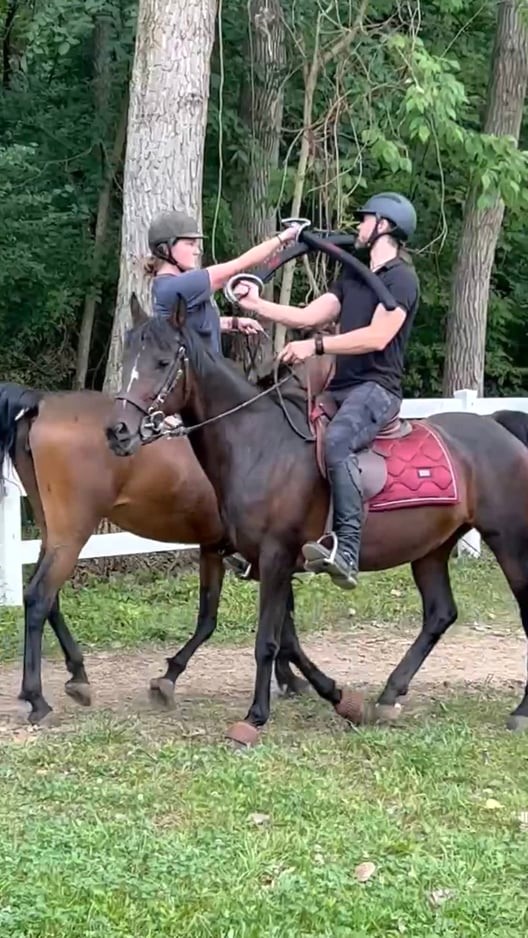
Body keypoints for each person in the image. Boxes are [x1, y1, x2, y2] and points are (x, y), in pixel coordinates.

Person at [233, 191, 420, 590]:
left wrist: (315, 345)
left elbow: (377, 337)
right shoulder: (354, 274)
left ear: (384, 226)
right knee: (283, 434)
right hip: (341, 388)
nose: (358, 226)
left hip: (376, 390)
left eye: (365, 219)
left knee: (337, 443)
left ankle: (347, 549)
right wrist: (255, 304)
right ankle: (264, 540)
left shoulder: (402, 279)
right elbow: (307, 315)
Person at [145, 210, 301, 350]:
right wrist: (283, 238)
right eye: (190, 244)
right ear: (164, 249)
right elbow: (240, 264)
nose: (197, 251)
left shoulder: (166, 286)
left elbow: (194, 326)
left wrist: (233, 323)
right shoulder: (177, 286)